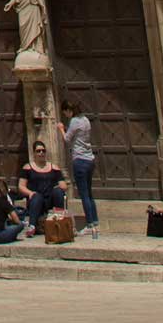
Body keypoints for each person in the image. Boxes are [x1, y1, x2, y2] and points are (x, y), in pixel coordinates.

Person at [59, 99, 99, 238]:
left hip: (80, 160)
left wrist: (61, 129)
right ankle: (95, 222)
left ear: (69, 111)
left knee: (83, 194)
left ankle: (89, 225)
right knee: (89, 193)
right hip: (90, 159)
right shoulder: (86, 120)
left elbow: (67, 139)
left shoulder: (75, 121)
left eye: (65, 112)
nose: (66, 115)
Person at [17, 140, 69, 236]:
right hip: (36, 199)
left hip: (50, 198)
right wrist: (30, 193)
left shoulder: (54, 168)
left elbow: (64, 185)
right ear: (34, 153)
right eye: (38, 151)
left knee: (58, 192)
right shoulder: (27, 168)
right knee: (36, 196)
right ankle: (32, 226)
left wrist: (61, 186)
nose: (41, 153)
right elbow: (21, 186)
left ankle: (61, 221)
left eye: (43, 151)